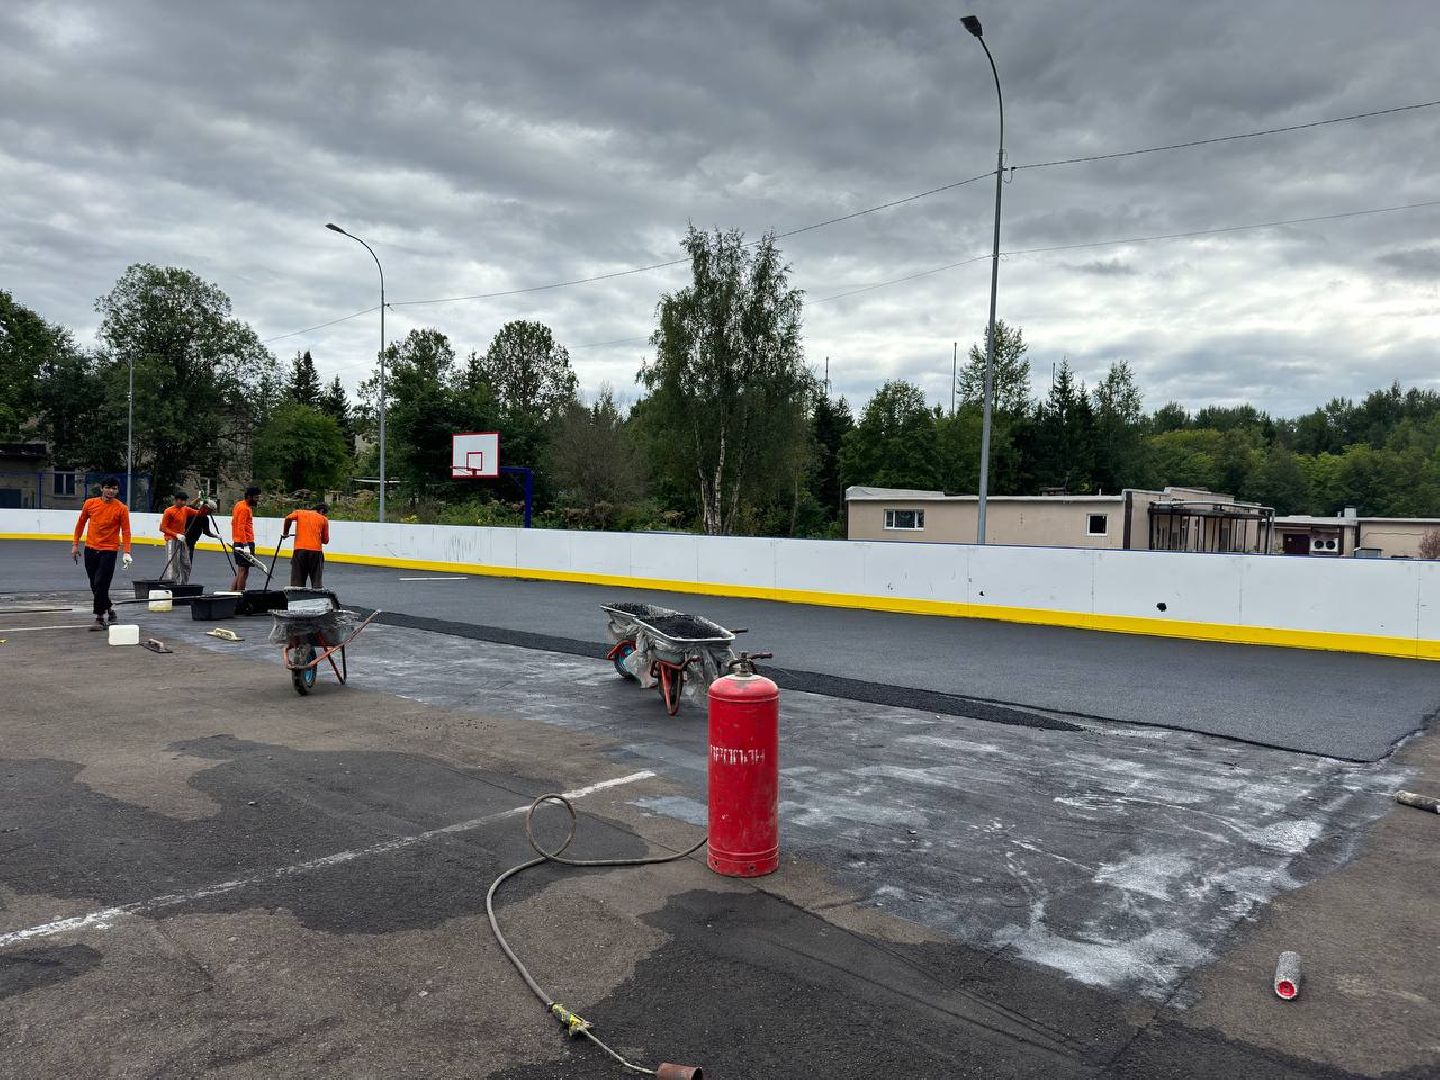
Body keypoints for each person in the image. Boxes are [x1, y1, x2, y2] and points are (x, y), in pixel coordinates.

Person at [71, 477, 133, 631]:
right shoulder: (90, 504)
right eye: (108, 487)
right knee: (94, 584)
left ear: (118, 491)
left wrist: (126, 552)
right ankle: (110, 610)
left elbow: (126, 531)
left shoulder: (121, 508)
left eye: (114, 488)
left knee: (101, 583)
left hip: (109, 550)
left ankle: (99, 618)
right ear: (101, 488)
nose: (111, 491)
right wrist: (75, 545)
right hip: (90, 549)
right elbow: (81, 524)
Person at [282, 502, 330, 588]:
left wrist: (285, 533)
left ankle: (297, 596)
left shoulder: (299, 512)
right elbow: (325, 541)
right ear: (322, 511)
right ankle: (316, 595)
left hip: (299, 550)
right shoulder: (323, 519)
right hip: (316, 551)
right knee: (316, 578)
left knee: (297, 578)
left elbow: (288, 518)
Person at [158, 490, 197, 582]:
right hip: (171, 540)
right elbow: (163, 528)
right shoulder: (169, 511)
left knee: (186, 563)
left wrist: (205, 507)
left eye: (185, 500)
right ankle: (172, 585)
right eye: (182, 500)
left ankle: (184, 584)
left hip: (181, 540)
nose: (184, 502)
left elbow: (198, 513)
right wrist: (176, 534)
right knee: (173, 565)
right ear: (176, 500)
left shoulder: (185, 509)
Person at [229, 486, 261, 592]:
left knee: (242, 570)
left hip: (240, 541)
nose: (257, 500)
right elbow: (240, 526)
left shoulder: (240, 504)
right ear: (249, 497)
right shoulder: (244, 508)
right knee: (244, 570)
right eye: (256, 497)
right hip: (244, 542)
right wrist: (246, 544)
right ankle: (240, 594)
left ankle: (232, 593)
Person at [183, 497, 221, 576]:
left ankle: (185, 579)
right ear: (205, 507)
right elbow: (190, 505)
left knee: (188, 564)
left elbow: (206, 532)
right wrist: (199, 498)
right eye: (210, 510)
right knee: (180, 562)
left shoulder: (205, 519)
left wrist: (216, 536)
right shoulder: (192, 511)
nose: (211, 513)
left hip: (191, 543)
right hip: (182, 540)